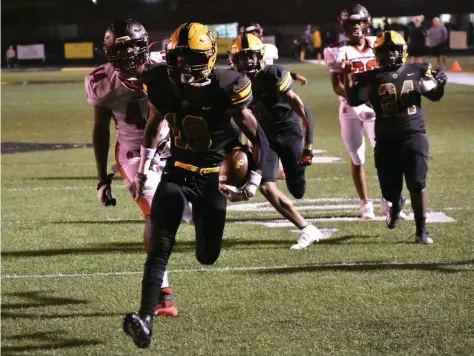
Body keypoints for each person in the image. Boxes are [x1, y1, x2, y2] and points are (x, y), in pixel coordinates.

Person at [122, 22, 270, 348]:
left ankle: (200, 246)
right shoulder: (162, 83)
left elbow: (259, 137)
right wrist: (145, 170)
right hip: (176, 173)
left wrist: (254, 180)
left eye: (193, 58)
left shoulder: (227, 85)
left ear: (211, 56)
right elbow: (152, 127)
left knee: (207, 255)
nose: (183, 65)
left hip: (211, 179)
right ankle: (145, 319)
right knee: (160, 245)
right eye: (178, 58)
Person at [85, 19, 191, 318]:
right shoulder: (101, 81)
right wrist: (101, 177)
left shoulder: (166, 66)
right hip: (133, 152)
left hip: (173, 145)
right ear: (109, 53)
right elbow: (100, 129)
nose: (130, 55)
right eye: (122, 50)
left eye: (133, 47)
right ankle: (162, 293)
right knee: (154, 212)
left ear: (146, 44)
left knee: (194, 216)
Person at [342, 30, 447, 244]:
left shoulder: (417, 71)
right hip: (386, 140)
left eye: (394, 51)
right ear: (377, 54)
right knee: (390, 191)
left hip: (413, 135)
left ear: (403, 52)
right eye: (385, 52)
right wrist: (347, 78)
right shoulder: (370, 77)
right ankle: (396, 202)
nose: (390, 56)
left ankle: (421, 230)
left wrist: (441, 83)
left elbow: (434, 95)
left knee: (417, 183)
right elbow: (353, 100)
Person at [230, 33, 322, 250]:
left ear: (260, 57)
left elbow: (303, 109)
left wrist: (308, 145)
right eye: (243, 57)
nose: (248, 62)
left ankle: (293, 174)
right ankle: (307, 229)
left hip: (289, 132)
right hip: (265, 138)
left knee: (297, 188)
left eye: (252, 57)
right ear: (234, 60)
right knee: (266, 185)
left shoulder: (273, 74)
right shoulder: (233, 82)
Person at [323, 3, 385, 219]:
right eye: (350, 22)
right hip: (350, 108)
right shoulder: (335, 50)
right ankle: (365, 203)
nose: (355, 26)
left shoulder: (379, 45)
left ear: (366, 22)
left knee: (384, 154)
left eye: (358, 21)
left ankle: (388, 199)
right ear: (343, 25)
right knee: (357, 155)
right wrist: (356, 99)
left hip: (376, 108)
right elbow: (336, 85)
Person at [244, 23, 308, 86]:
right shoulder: (240, 53)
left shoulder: (269, 48)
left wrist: (296, 76)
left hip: (266, 88)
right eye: (252, 34)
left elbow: (274, 71)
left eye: (256, 33)